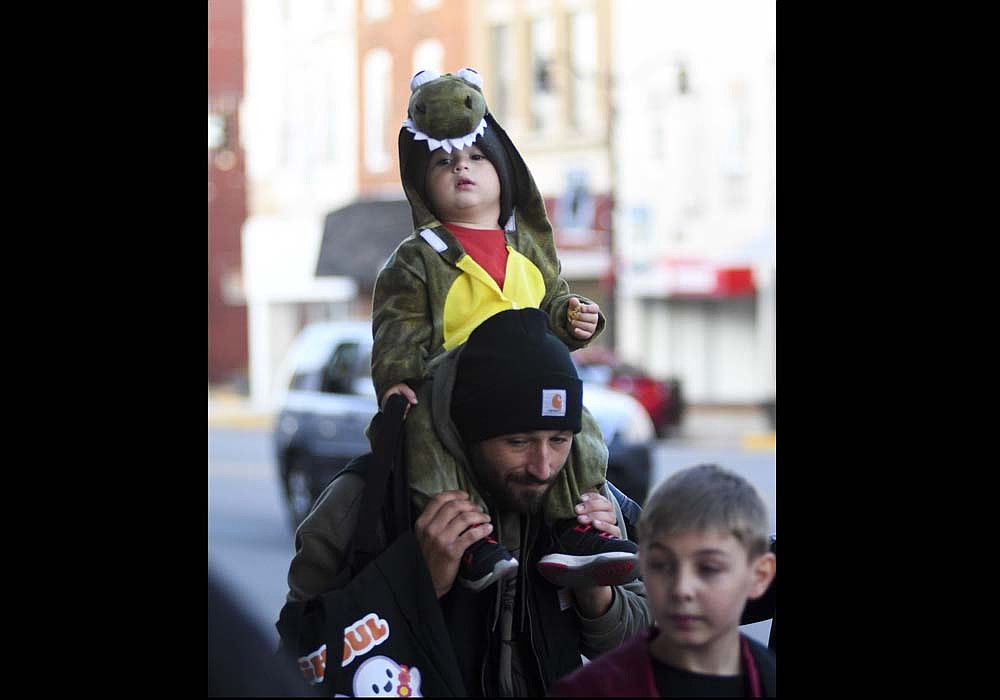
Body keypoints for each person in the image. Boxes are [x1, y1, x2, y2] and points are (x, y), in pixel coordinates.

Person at [284, 308, 653, 696]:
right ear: (468, 431)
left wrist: (597, 595)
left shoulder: (587, 499)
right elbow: (297, 658)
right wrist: (415, 584)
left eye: (559, 440)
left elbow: (652, 644)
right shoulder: (365, 501)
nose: (543, 467)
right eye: (518, 442)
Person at [370, 66, 637, 593]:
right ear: (422, 182)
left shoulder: (528, 255)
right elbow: (397, 325)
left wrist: (575, 318)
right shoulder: (415, 260)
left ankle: (579, 527)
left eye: (475, 157)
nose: (460, 168)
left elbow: (554, 309)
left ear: (505, 174)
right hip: (455, 398)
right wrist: (398, 377)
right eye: (443, 162)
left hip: (533, 391)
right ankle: (470, 541)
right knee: (422, 435)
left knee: (576, 422)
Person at [549, 464, 777, 697]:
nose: (681, 588)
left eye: (709, 568)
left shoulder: (765, 680)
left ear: (760, 575)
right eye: (661, 565)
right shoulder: (589, 689)